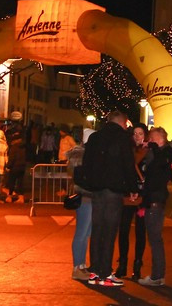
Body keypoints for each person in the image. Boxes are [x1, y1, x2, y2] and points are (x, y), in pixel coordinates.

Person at [86, 111, 140, 288]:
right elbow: (128, 164)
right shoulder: (122, 138)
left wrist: (91, 182)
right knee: (110, 230)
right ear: (122, 123)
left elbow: (87, 163)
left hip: (97, 189)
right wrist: (133, 188)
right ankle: (106, 273)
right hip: (114, 189)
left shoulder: (95, 138)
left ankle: (94, 271)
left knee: (97, 229)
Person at [138, 127, 172, 287]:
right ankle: (157, 275)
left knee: (155, 239)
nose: (149, 141)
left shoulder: (164, 153)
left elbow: (158, 169)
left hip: (155, 201)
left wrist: (151, 148)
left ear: (159, 140)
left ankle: (157, 276)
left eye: (152, 138)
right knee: (154, 239)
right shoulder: (158, 154)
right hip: (153, 200)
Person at [116, 124, 149, 280]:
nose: (137, 136)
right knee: (123, 230)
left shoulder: (149, 152)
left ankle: (137, 265)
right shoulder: (126, 151)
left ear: (145, 135)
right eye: (135, 133)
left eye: (140, 133)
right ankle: (122, 263)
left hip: (142, 197)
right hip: (127, 196)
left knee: (140, 232)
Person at [67, 129, 94, 281]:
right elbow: (80, 176)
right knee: (82, 233)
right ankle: (77, 266)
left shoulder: (82, 155)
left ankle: (81, 265)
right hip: (85, 196)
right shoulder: (81, 155)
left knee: (85, 233)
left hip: (88, 196)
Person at [5, 122, 27, 203]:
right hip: (22, 167)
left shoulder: (14, 148)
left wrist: (8, 166)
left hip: (14, 167)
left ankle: (9, 197)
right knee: (20, 183)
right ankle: (21, 198)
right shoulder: (23, 147)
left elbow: (12, 159)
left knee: (12, 182)